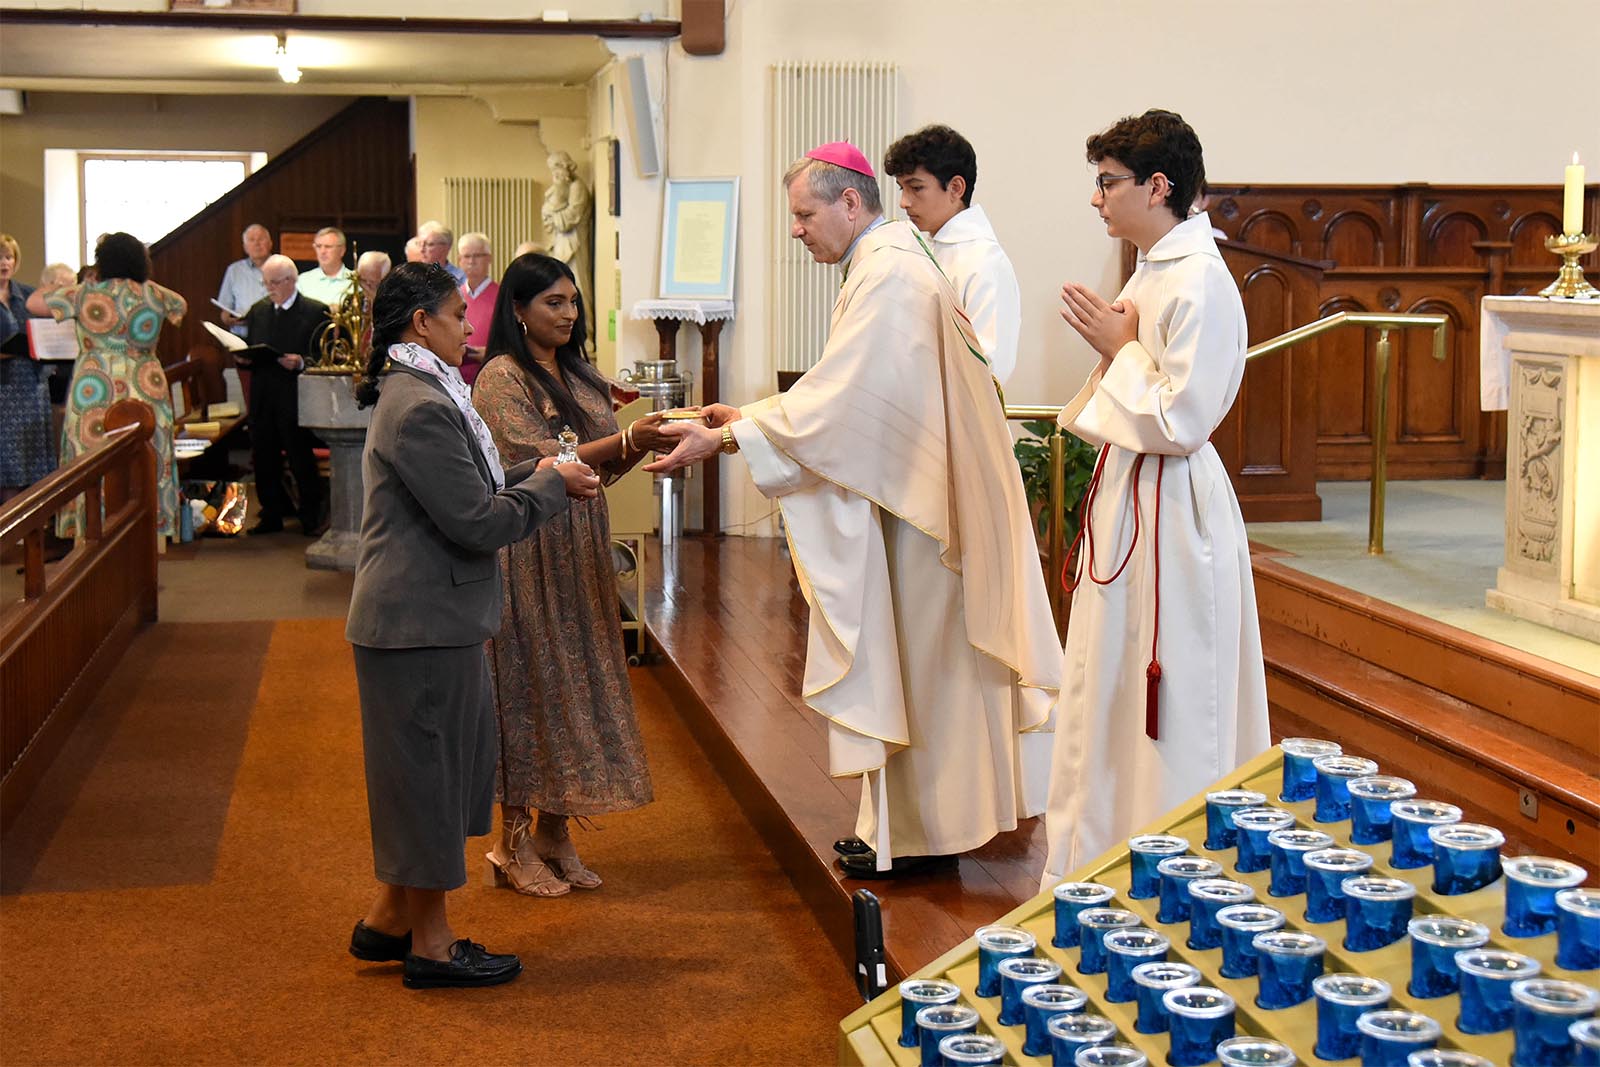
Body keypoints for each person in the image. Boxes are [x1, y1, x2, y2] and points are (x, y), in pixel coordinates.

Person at [648, 144, 1062, 879]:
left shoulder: (891, 272)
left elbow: (845, 399)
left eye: (805, 214)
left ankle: (928, 836)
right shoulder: (885, 262)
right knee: (915, 666)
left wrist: (732, 436)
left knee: (926, 671)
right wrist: (751, 418)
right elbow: (846, 389)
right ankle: (900, 831)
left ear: (848, 202)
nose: (797, 230)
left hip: (923, 511)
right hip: (912, 494)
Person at [344, 261, 600, 989]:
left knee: (437, 774)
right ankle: (431, 945)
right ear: (421, 323)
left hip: (430, 618)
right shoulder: (421, 405)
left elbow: (478, 485)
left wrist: (544, 470)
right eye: (458, 314)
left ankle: (390, 918)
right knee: (426, 781)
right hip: (418, 622)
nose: (469, 325)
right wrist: (551, 487)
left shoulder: (425, 389)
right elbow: (477, 520)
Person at [1038, 110, 1271, 887]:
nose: (1096, 199)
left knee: (1171, 696)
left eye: (1108, 182)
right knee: (1106, 681)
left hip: (1176, 508)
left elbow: (1184, 417)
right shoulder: (1153, 267)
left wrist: (1118, 350)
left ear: (1158, 185)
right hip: (1135, 490)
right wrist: (1118, 353)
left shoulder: (1201, 278)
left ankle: (1176, 876)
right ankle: (1101, 862)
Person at [472, 253, 673, 896]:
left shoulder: (580, 371)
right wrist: (627, 440)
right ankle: (510, 845)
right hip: (527, 546)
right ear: (518, 310)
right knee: (528, 687)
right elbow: (541, 462)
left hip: (580, 545)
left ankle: (556, 832)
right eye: (552, 302)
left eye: (573, 301)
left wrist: (638, 443)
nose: (568, 313)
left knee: (576, 685)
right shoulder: (500, 377)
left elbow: (599, 469)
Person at [28, 232, 186, 539]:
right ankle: (149, 531)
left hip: (94, 386)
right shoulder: (155, 294)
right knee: (147, 457)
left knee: (90, 458)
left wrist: (64, 283)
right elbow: (182, 305)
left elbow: (34, 303)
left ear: (102, 262)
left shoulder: (85, 293)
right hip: (145, 384)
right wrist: (144, 283)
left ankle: (89, 531)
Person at [883, 124, 1022, 386]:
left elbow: (988, 368)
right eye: (902, 188)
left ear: (956, 188)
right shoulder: (923, 248)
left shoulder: (984, 261)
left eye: (916, 188)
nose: (904, 202)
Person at [241, 254, 328, 536]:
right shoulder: (258, 310)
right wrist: (242, 357)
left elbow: (327, 357)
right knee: (264, 458)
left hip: (296, 396)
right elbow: (251, 348)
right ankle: (271, 514)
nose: (269, 288)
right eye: (265, 283)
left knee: (300, 457)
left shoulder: (315, 311)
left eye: (274, 282)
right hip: (263, 395)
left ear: (291, 280)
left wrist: (301, 361)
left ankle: (311, 516)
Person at [0, 234, 53, 499]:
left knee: (33, 464)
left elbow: (48, 330)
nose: (4, 263)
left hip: (32, 387)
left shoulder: (29, 294)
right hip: (3, 390)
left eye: (8, 257)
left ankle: (36, 520)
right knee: (7, 466)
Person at [542, 152, 593, 340]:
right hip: (561, 245)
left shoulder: (577, 187)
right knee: (560, 290)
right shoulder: (559, 188)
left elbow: (569, 218)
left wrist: (553, 215)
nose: (554, 173)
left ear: (565, 166)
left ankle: (584, 335)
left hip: (575, 245)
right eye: (552, 169)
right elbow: (546, 214)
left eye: (556, 167)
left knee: (578, 290)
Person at [217, 223, 273, 337]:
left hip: (274, 335)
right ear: (245, 247)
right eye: (252, 240)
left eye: (261, 239)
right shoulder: (234, 270)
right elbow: (225, 311)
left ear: (270, 243)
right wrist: (227, 319)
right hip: (242, 336)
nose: (257, 243)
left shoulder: (283, 267)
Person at [456, 232, 496, 385]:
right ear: (459, 260)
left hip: (491, 377)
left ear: (489, 258)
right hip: (457, 378)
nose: (471, 261)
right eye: (466, 256)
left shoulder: (502, 296)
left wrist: (492, 352)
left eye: (477, 256)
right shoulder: (452, 297)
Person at [297, 226, 355, 304]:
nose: (322, 251)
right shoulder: (302, 281)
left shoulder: (355, 281)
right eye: (318, 246)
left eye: (328, 247)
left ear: (342, 250)